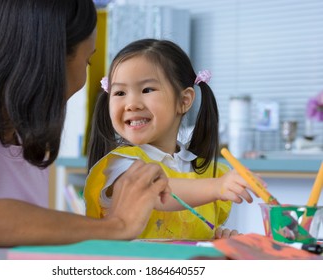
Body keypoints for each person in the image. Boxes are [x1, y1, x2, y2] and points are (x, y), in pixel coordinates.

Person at [0, 0, 170, 260]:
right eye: (88, 62)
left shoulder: (26, 137)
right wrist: (117, 225)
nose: (83, 80)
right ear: (51, 61)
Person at [84, 39, 257, 240]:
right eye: (120, 92)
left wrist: (217, 240)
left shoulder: (208, 173)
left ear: (184, 101)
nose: (131, 104)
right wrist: (217, 187)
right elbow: (152, 191)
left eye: (147, 90)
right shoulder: (120, 164)